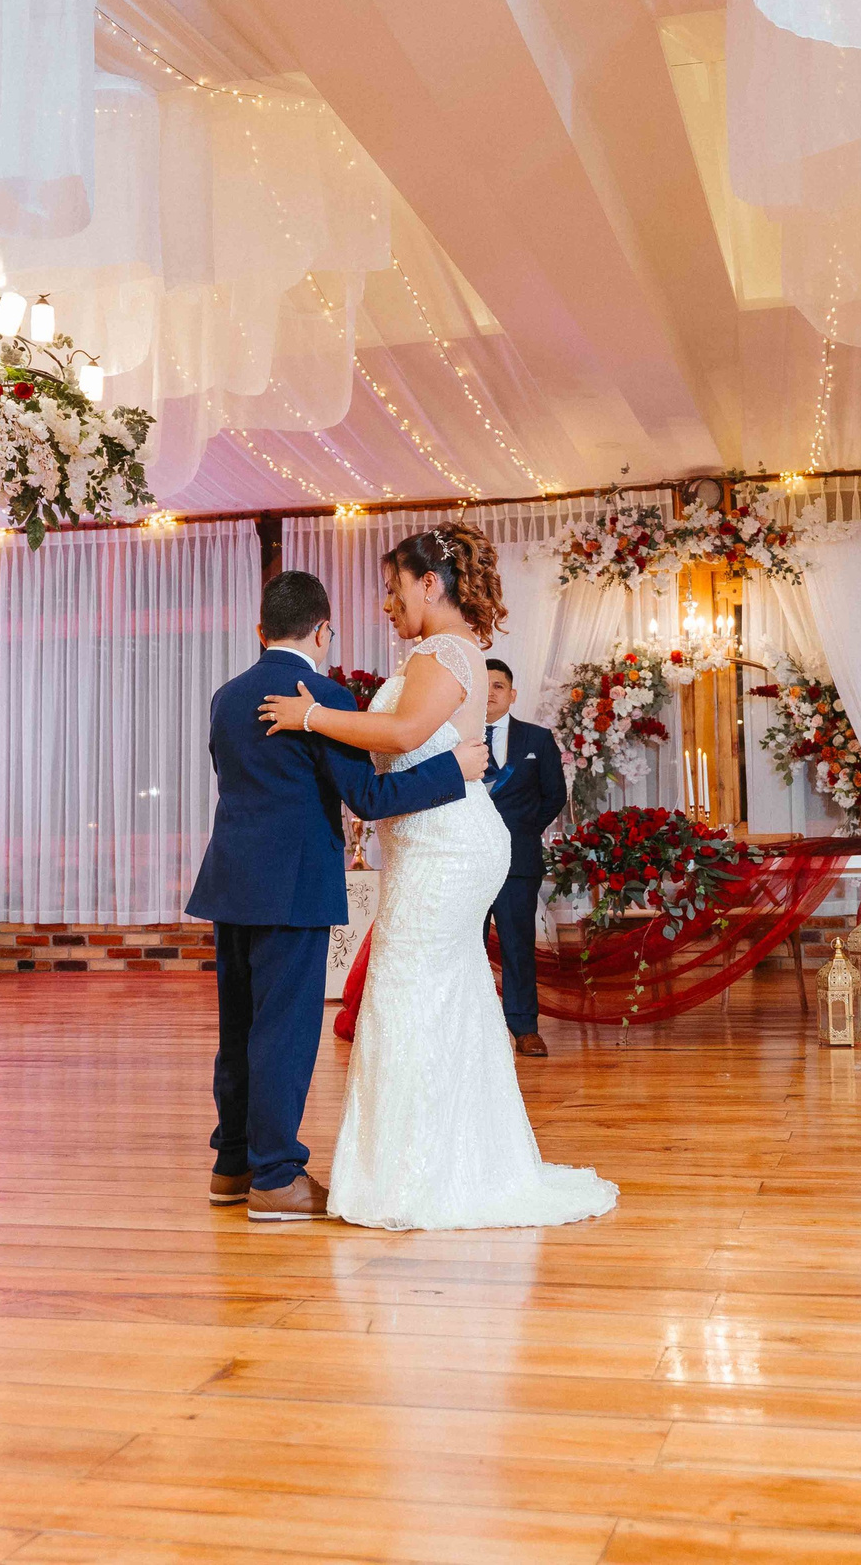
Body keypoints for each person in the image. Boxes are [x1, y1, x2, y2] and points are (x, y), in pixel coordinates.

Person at [258, 521, 617, 1232]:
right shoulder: (441, 652)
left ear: (430, 582)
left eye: (394, 589)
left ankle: (412, 1175)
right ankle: (459, 1160)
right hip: (437, 839)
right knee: (444, 992)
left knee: (403, 987)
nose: (387, 605)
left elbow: (400, 734)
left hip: (448, 845)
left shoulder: (445, 650)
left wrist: (312, 716)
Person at [186, 571, 488, 1222]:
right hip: (292, 886)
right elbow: (369, 798)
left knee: (238, 1029)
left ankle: (232, 1165)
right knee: (286, 1034)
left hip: (230, 883)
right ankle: (275, 1178)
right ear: (323, 630)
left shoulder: (226, 697)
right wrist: (453, 770)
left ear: (260, 630)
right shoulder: (320, 695)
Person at [480, 659, 567, 1058]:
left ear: (512, 695)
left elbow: (555, 795)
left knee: (518, 945)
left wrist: (523, 830)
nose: (490, 692)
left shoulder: (537, 739)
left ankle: (524, 1028)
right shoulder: (451, 737)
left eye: (498, 686)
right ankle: (474, 1032)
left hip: (517, 861)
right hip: (465, 862)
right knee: (467, 947)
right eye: (483, 685)